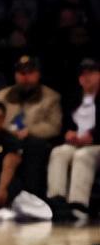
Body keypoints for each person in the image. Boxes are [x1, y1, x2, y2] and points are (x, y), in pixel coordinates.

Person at [0, 55, 62, 198]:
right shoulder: (1, 96)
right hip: (6, 139)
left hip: (34, 141)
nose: (25, 77)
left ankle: (31, 196)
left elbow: (54, 126)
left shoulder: (51, 97)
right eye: (21, 73)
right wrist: (8, 131)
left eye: (30, 73)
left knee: (33, 146)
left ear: (38, 74)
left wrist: (30, 131)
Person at [46, 58, 98, 223]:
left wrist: (93, 136)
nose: (86, 78)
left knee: (82, 155)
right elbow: (65, 125)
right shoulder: (73, 98)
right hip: (76, 143)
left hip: (96, 145)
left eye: (91, 73)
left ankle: (78, 204)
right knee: (59, 152)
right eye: (83, 74)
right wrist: (69, 134)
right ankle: (56, 200)